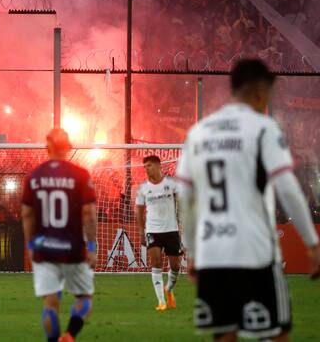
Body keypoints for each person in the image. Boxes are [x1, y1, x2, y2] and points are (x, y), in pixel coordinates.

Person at [176, 59, 320, 341]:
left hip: (213, 251)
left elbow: (186, 199)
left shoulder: (198, 132)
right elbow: (288, 189)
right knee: (277, 333)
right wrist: (312, 243)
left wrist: (193, 250)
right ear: (258, 91)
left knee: (225, 335)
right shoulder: (262, 128)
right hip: (255, 250)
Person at [22, 128, 97, 342]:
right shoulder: (80, 175)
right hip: (73, 248)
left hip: (44, 248)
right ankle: (70, 335)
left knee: (50, 303)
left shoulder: (34, 176)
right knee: (84, 299)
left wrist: (29, 247)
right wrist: (91, 247)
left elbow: (27, 215)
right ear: (68, 147)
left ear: (47, 148)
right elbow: (89, 213)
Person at [135, 155, 182, 311]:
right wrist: (142, 231)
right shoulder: (142, 188)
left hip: (171, 229)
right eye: (145, 166)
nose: (146, 169)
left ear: (158, 166)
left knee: (175, 265)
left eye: (149, 165)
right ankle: (161, 302)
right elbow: (139, 211)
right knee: (156, 263)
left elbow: (182, 203)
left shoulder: (172, 184)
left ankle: (168, 288)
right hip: (153, 230)